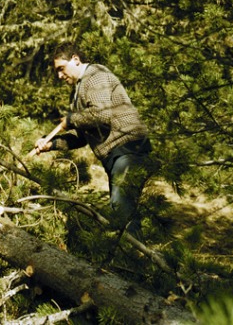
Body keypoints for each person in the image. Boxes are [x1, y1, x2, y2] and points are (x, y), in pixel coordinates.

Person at [33, 42, 153, 237]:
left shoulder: (95, 76)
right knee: (122, 210)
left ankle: (135, 257)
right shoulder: (78, 91)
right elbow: (81, 138)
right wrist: (51, 143)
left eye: (61, 69)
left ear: (76, 60)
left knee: (121, 208)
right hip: (115, 155)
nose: (59, 76)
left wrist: (71, 120)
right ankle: (133, 258)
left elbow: (101, 115)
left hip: (128, 148)